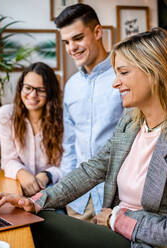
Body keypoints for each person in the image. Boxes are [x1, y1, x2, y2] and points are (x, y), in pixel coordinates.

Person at [0, 28, 167, 248]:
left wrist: (115, 219)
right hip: (114, 233)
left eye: (124, 73)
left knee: (37, 226)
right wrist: (37, 201)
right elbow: (92, 169)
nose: (115, 82)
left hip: (139, 242)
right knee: (28, 218)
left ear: (154, 72)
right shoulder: (131, 123)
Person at [55, 3, 124, 221]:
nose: (71, 48)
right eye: (66, 42)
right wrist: (65, 192)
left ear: (97, 32)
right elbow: (70, 144)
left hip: (116, 199)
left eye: (77, 38)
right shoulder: (71, 86)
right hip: (78, 201)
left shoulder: (123, 75)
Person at [0, 62, 63, 196]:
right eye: (28, 88)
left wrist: (46, 175)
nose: (33, 95)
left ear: (50, 93)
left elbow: (68, 164)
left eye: (41, 90)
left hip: (52, 192)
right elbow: (8, 160)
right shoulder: (7, 115)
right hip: (19, 189)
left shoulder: (62, 119)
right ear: (20, 88)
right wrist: (22, 173)